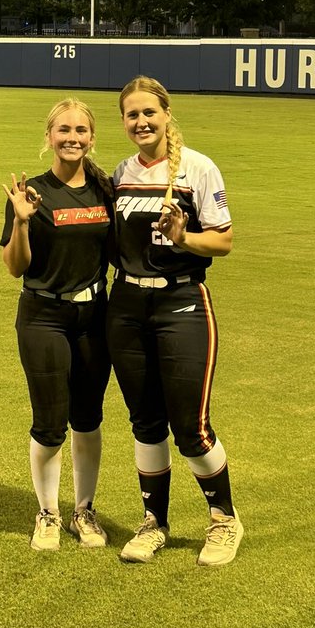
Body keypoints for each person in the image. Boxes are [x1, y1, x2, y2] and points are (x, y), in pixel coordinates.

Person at [106, 75, 242, 567]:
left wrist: (185, 238)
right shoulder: (121, 171)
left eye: (149, 113)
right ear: (123, 122)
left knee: (190, 426)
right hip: (126, 310)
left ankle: (224, 519)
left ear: (166, 115)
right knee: (145, 423)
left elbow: (223, 242)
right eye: (132, 115)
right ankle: (154, 523)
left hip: (181, 305)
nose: (141, 122)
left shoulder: (198, 169)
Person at [1, 98, 114, 552]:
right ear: (48, 136)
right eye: (63, 130)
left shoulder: (105, 188)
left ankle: (82, 512)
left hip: (94, 317)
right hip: (44, 315)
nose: (72, 138)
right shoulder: (30, 193)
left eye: (81, 130)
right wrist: (22, 224)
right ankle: (47, 513)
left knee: (87, 420)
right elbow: (15, 266)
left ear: (91, 137)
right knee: (50, 423)